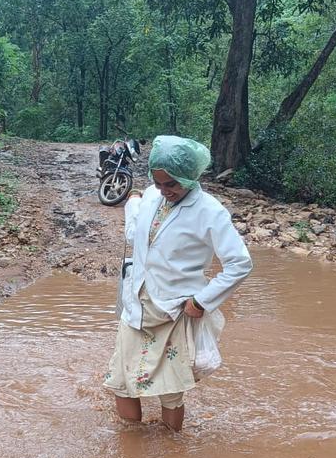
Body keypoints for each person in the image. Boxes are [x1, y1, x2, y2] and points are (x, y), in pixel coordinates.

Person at [103, 135, 252, 431]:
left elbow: (239, 263)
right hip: (137, 305)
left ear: (190, 176)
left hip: (173, 310)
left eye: (171, 184)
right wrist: (133, 203)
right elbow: (135, 237)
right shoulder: (150, 200)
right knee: (122, 381)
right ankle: (132, 446)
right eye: (158, 183)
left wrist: (201, 301)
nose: (164, 190)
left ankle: (172, 448)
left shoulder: (209, 211)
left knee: (170, 391)